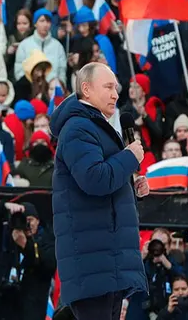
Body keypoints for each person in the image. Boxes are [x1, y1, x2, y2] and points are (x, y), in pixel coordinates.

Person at [51, 63, 148, 319]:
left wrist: (130, 186)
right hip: (93, 263)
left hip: (106, 262)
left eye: (115, 87)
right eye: (107, 87)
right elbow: (94, 179)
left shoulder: (95, 126)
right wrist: (129, 157)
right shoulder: (77, 128)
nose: (115, 93)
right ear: (86, 89)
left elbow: (105, 181)